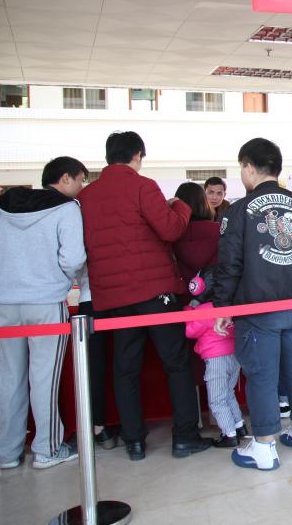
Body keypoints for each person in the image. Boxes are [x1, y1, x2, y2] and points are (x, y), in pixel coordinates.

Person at [78, 131, 210, 462]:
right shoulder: (143, 186)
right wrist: (179, 206)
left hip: (113, 298)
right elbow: (171, 229)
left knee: (125, 368)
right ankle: (185, 437)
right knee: (176, 363)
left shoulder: (87, 196)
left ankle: (134, 441)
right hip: (155, 293)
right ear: (137, 155)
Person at [213, 137, 292, 470]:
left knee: (262, 375)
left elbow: (229, 264)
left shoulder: (239, 211)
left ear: (248, 167)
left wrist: (222, 307)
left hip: (258, 308)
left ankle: (263, 447)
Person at [0, 156, 88, 470]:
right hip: (46, 302)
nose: (81, 187)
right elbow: (74, 258)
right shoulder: (67, 208)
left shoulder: (0, 206)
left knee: (8, 377)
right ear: (65, 178)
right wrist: (57, 279)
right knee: (44, 377)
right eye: (80, 180)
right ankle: (47, 449)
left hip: (4, 305)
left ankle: (8, 453)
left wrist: (3, 275)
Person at [184, 301, 247, 448]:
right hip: (234, 354)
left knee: (217, 400)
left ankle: (229, 434)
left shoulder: (204, 309)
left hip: (216, 358)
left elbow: (190, 331)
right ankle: (239, 426)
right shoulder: (228, 304)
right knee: (228, 393)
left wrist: (188, 310)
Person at [172, 182, 219, 288]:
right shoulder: (219, 230)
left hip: (180, 293)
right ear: (204, 203)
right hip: (213, 292)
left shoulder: (172, 233)